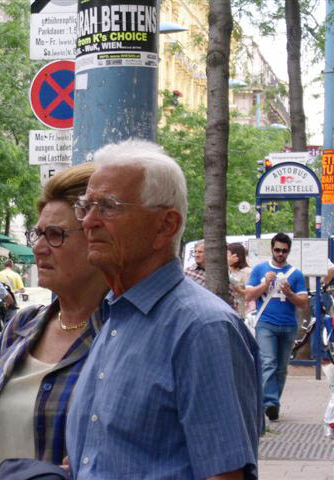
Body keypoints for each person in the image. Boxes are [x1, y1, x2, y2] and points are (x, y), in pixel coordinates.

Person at [66, 140, 262, 479]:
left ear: (165, 226)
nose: (89, 221)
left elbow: (225, 474)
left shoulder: (203, 329)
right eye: (86, 206)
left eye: (108, 206)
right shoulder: (117, 316)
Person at [0, 163, 109, 480]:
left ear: (97, 239)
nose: (39, 248)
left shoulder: (121, 337)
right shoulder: (21, 326)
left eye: (55, 235)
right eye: (37, 234)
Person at [246, 233, 308, 422]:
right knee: (268, 363)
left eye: (284, 251)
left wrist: (289, 292)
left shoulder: (296, 274)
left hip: (288, 325)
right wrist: (265, 284)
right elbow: (249, 295)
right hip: (266, 324)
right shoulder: (260, 269)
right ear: (272, 249)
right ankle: (270, 403)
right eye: (277, 250)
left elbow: (303, 303)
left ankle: (272, 404)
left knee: (281, 368)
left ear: (289, 252)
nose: (280, 254)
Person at [228, 242, 253, 319]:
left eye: (228, 255)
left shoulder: (247, 272)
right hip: (228, 309)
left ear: (236, 256)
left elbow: (251, 293)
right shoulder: (227, 270)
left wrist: (238, 290)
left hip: (242, 311)